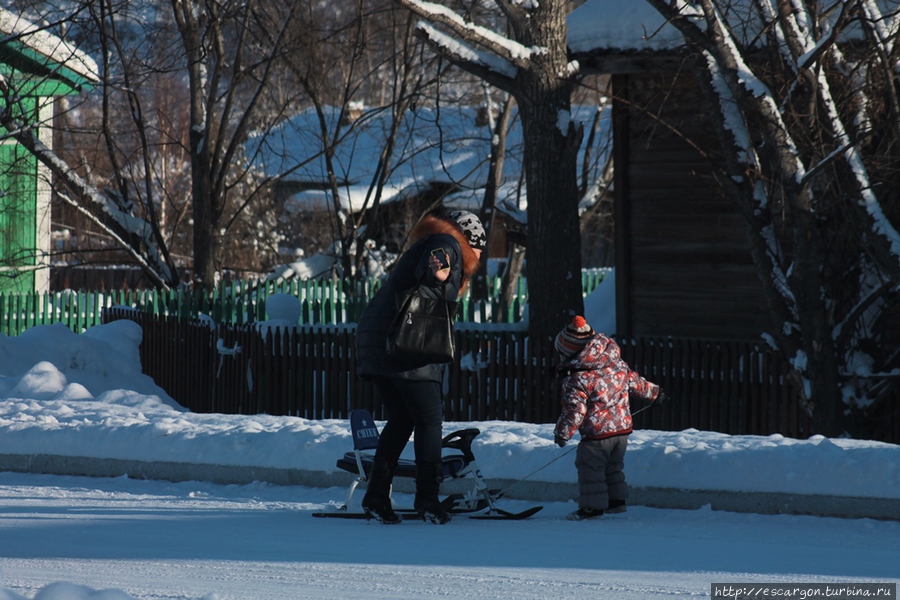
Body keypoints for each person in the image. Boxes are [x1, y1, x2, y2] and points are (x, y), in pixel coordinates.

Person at [355, 209, 486, 524]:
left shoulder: (432, 241)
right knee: (429, 421)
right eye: (480, 248)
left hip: (378, 342)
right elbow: (436, 261)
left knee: (401, 420)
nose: (479, 257)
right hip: (407, 346)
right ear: (470, 239)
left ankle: (375, 496)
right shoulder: (447, 242)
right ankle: (427, 499)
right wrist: (437, 271)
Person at [552, 315, 666, 521]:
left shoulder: (577, 378)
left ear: (569, 353)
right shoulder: (615, 363)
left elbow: (574, 411)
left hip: (597, 435)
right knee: (613, 467)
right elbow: (634, 381)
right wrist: (655, 393)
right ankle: (616, 502)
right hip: (622, 431)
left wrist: (562, 433)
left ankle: (591, 508)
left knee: (590, 469)